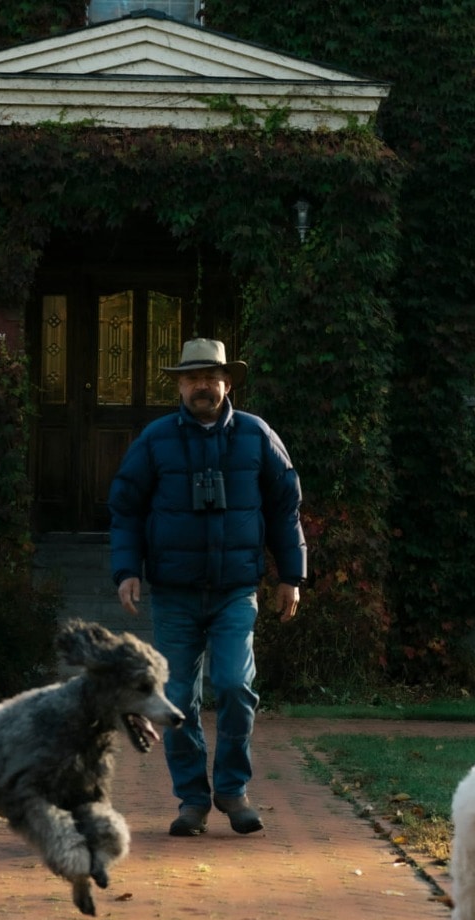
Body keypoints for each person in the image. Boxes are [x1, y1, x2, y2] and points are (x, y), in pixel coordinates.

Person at [108, 338, 307, 837]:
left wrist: (291, 576)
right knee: (176, 698)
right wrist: (127, 570)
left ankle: (233, 790)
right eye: (192, 377)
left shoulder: (257, 436)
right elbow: (126, 509)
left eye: (211, 376)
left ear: (227, 382)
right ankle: (193, 800)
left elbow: (285, 508)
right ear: (179, 384)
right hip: (174, 593)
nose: (202, 385)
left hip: (235, 590)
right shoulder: (154, 440)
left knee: (237, 688)